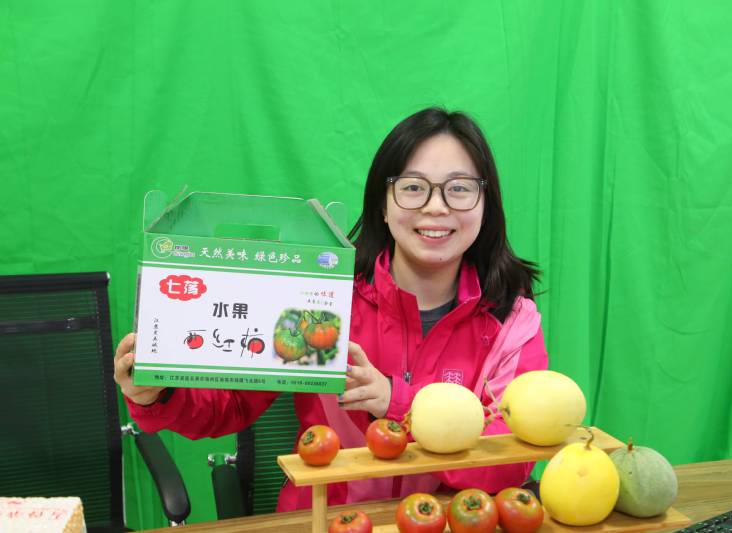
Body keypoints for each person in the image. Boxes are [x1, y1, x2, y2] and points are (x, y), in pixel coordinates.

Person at [114, 107, 548, 511]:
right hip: (327, 519)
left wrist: (397, 403)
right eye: (414, 187)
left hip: (450, 520)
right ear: (382, 204)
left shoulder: (511, 320)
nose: (436, 206)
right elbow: (231, 403)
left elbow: (508, 462)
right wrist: (157, 394)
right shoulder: (321, 297)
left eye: (459, 189)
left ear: (485, 205)